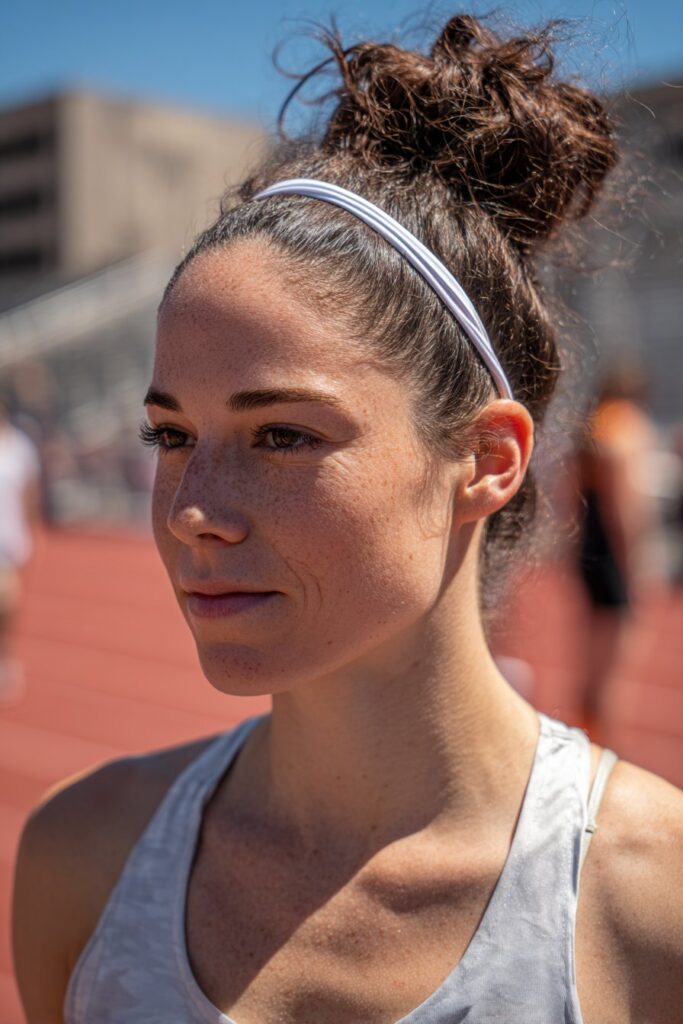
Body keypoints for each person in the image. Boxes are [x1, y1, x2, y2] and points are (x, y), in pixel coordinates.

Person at [12, 14, 683, 1024]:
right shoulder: (82, 856)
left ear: (483, 458)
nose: (194, 509)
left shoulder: (651, 905)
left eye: (281, 436)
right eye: (170, 437)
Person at [575, 363, 660, 736]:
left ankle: (588, 723)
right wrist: (633, 560)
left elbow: (574, 499)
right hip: (611, 545)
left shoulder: (593, 423)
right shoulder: (627, 428)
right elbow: (624, 504)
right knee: (617, 651)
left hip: (588, 544)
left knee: (592, 642)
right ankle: (603, 736)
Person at [0, 397, 41, 702]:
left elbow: (29, 489)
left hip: (9, 536)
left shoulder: (19, 446)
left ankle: (5, 657)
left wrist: (31, 525)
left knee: (7, 603)